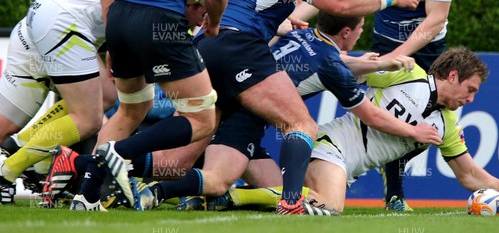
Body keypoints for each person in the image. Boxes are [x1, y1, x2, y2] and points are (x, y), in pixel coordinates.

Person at [46, 0, 230, 212]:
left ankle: (86, 195)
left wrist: (114, 38)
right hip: (160, 20)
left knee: (131, 110)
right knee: (202, 118)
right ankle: (118, 154)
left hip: (121, 19)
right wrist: (215, 23)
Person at [125, 12, 439, 213]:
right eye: (359, 29)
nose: (359, 35)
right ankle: (148, 185)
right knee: (216, 179)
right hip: (246, 113)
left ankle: (189, 193)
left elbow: (330, 59)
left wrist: (378, 63)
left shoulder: (302, 35)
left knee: (273, 188)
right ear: (347, 31)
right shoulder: (329, 62)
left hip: (235, 95)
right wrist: (414, 132)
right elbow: (368, 113)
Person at [211, 47, 499, 214]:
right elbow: (339, 72)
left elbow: (468, 175)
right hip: (327, 145)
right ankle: (234, 195)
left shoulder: (446, 125)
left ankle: (223, 189)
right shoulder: (408, 74)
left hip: (343, 168)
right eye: (469, 89)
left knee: (306, 203)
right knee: (331, 207)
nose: (471, 99)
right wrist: (370, 64)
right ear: (453, 75)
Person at [340, 0, 454, 211]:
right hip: (385, 42)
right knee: (394, 116)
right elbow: (339, 3)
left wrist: (395, 57)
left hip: (429, 50)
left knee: (433, 119)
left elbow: (436, 20)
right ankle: (395, 194)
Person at [0, 0, 120, 204]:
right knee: (89, 118)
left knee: (106, 95)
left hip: (42, 17)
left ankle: (22, 144)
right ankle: (7, 172)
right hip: (64, 24)